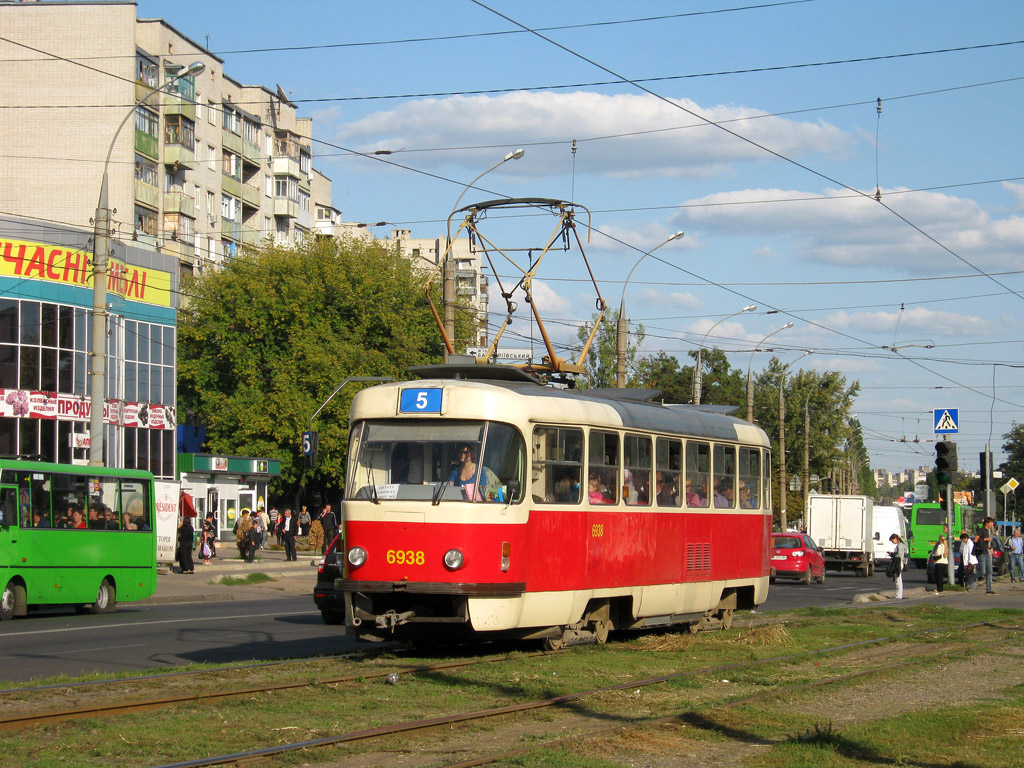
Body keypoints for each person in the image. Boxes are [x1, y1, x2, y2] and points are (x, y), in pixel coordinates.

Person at [974, 517, 997, 595]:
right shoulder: (981, 530)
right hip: (982, 554)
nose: (992, 524)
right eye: (991, 523)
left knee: (990, 571)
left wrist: (989, 547)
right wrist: (985, 539)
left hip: (987, 553)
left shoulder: (987, 531)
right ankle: (969, 581)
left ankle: (989, 590)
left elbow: (983, 544)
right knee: (982, 572)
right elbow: (976, 540)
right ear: (987, 523)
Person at [888, 533, 906, 599]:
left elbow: (900, 555)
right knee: (898, 578)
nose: (892, 542)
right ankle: (898, 595)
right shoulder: (900, 545)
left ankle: (898, 595)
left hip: (898, 562)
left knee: (898, 579)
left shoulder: (899, 545)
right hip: (899, 562)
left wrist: (893, 555)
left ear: (896, 539)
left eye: (892, 541)